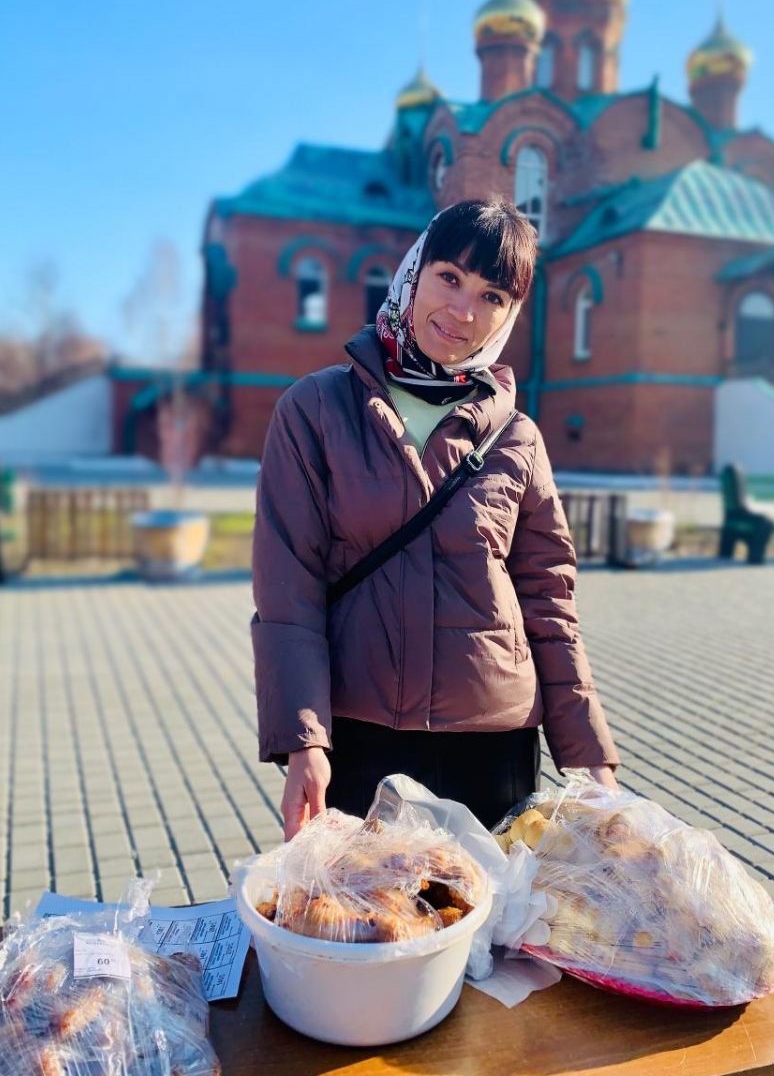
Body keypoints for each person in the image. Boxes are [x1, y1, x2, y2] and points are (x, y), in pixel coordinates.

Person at [252, 199, 619, 840]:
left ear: (510, 315)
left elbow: (548, 601)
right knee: (369, 929)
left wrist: (589, 756)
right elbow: (289, 590)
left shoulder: (518, 436)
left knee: (493, 933)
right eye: (449, 277)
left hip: (494, 746)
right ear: (414, 272)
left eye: (493, 295)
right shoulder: (315, 410)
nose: (462, 311)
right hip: (360, 737)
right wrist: (304, 740)